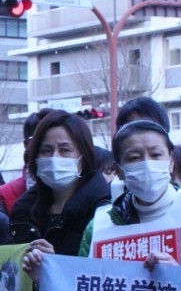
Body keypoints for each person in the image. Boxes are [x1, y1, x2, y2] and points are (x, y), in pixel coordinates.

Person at [75, 120, 181, 269]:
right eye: (134, 157)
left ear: (170, 162)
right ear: (119, 171)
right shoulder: (99, 227)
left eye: (155, 155)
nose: (147, 164)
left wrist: (179, 280)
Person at [12, 111, 110, 276]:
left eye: (65, 150)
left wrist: (57, 266)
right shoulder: (23, 210)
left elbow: (103, 279)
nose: (54, 158)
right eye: (46, 150)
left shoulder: (103, 212)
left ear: (83, 156)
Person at [0, 110, 50, 215]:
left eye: (64, 148)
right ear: (27, 145)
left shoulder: (81, 190)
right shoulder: (6, 195)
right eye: (42, 143)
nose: (53, 154)